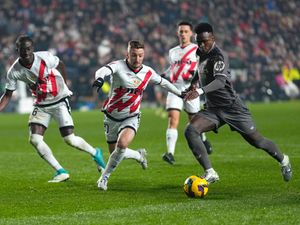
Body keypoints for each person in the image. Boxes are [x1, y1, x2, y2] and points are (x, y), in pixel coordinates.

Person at [183, 23, 292, 184]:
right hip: (213, 109)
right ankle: (210, 172)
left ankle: (284, 160)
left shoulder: (219, 56)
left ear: (212, 38)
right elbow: (200, 70)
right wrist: (193, 84)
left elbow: (220, 81)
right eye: (198, 41)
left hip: (232, 108)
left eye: (204, 41)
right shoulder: (201, 51)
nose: (201, 45)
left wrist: (199, 91)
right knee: (191, 130)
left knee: (257, 141)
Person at [0, 35, 106, 182]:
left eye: (28, 49)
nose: (25, 52)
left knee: (69, 139)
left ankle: (95, 153)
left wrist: (65, 83)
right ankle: (61, 171)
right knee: (35, 139)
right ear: (17, 50)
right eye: (22, 49)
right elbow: (7, 94)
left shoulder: (44, 57)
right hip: (41, 104)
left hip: (59, 100)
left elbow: (60, 64)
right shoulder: (14, 71)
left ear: (33, 48)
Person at [92, 40, 183, 191]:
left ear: (144, 55)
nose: (137, 59)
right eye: (134, 55)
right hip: (111, 116)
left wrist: (180, 93)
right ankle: (139, 156)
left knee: (121, 145)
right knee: (115, 152)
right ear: (127, 54)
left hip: (131, 116)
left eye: (140, 55)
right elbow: (102, 70)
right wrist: (100, 79)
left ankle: (104, 178)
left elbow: (164, 83)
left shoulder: (148, 72)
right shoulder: (118, 66)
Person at [162, 21, 212, 165]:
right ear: (178, 33)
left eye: (185, 31)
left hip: (191, 90)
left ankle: (203, 139)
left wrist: (195, 76)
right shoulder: (172, 51)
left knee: (194, 123)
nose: (183, 34)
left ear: (191, 33)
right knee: (173, 119)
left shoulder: (197, 49)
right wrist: (162, 75)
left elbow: (203, 68)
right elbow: (171, 69)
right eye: (181, 31)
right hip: (175, 89)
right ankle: (170, 153)